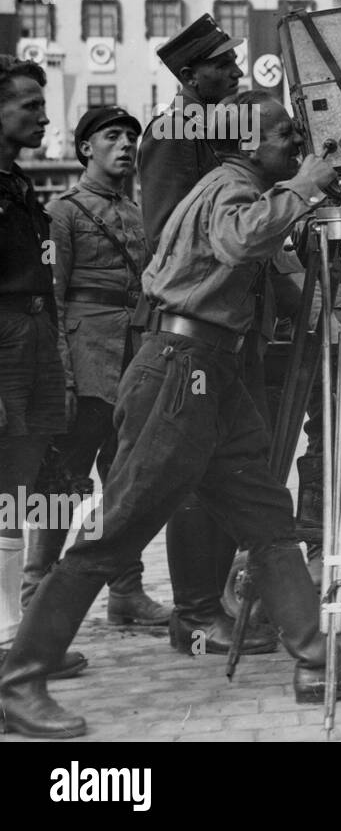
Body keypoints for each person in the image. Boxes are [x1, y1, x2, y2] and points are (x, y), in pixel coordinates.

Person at [0, 94, 341, 738]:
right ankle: (19, 681)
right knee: (115, 532)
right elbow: (238, 239)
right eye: (283, 136)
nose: (295, 148)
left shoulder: (241, 184)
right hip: (180, 367)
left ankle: (315, 660)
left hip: (211, 369)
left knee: (268, 521)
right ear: (247, 141)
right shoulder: (229, 186)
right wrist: (303, 187)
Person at [142, 15, 279, 657]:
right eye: (221, 66)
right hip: (197, 322)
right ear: (189, 74)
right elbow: (169, 229)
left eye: (233, 63)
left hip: (233, 323)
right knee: (195, 469)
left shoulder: (217, 129)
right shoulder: (175, 133)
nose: (233, 74)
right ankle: (195, 613)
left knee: (232, 464)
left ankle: (211, 602)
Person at [23, 107, 171, 628]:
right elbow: (52, 295)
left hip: (132, 357)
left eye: (132, 137)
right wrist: (60, 375)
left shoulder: (137, 213)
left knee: (126, 481)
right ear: (86, 148)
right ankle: (35, 596)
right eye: (113, 136)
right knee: (61, 480)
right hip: (86, 362)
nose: (126, 145)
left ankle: (126, 593)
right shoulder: (62, 213)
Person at [0, 56, 87, 681]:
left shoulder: (21, 187)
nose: (42, 115)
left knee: (16, 494)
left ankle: (15, 641)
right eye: (28, 104)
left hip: (32, 338)